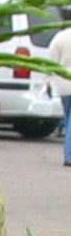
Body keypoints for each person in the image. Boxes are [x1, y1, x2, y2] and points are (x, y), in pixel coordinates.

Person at [49, 21, 71, 165]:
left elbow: (52, 62)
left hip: (64, 84)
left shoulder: (60, 37)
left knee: (68, 117)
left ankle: (68, 154)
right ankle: (69, 155)